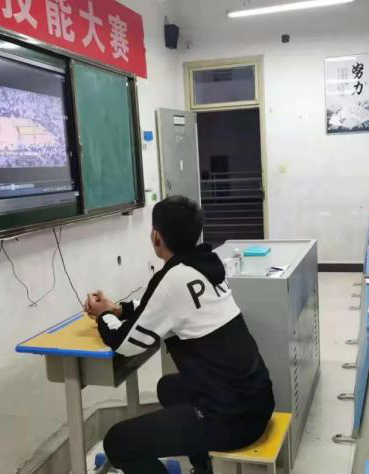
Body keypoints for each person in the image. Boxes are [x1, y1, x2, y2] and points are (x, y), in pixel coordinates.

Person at [84, 195, 275, 474]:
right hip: (256, 403)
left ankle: (202, 444)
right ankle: (202, 467)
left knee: (118, 442)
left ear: (156, 236)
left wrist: (104, 315)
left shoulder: (171, 279)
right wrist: (118, 309)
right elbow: (161, 306)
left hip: (230, 420)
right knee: (169, 387)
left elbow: (124, 343)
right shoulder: (203, 266)